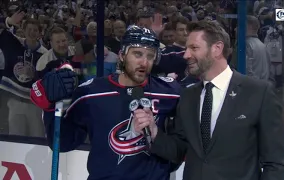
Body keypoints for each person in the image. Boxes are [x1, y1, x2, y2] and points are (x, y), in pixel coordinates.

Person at [133, 20, 284, 180]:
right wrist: (154, 132)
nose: (186, 55)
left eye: (194, 48)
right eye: (187, 48)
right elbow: (180, 150)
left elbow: (275, 164)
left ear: (217, 49)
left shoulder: (258, 92)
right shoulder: (188, 95)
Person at [30, 25, 181, 180]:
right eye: (138, 54)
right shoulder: (90, 93)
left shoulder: (170, 92)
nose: (144, 62)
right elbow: (63, 143)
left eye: (150, 56)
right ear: (122, 55)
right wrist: (49, 108)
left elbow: (182, 144)